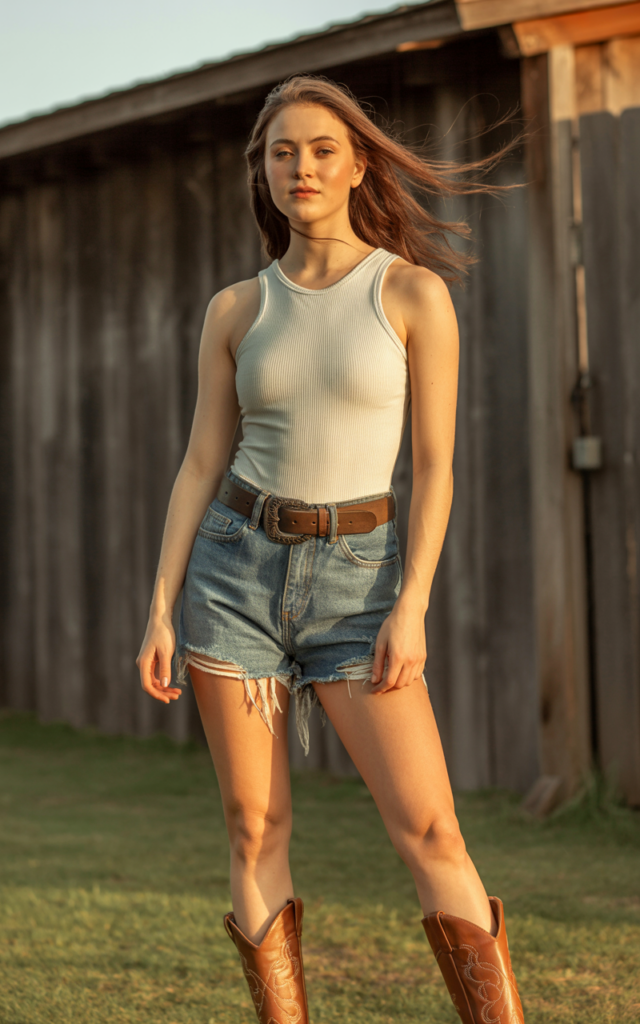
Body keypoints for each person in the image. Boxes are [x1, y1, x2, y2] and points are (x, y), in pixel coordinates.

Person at [136, 75, 525, 1024]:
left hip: (360, 584)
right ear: (261, 174)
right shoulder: (235, 309)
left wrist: (413, 605)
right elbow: (198, 465)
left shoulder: (412, 295)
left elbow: (433, 472)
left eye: (319, 149)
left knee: (430, 828)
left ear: (356, 165)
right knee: (253, 825)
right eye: (280, 152)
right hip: (233, 577)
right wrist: (158, 605)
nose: (300, 167)